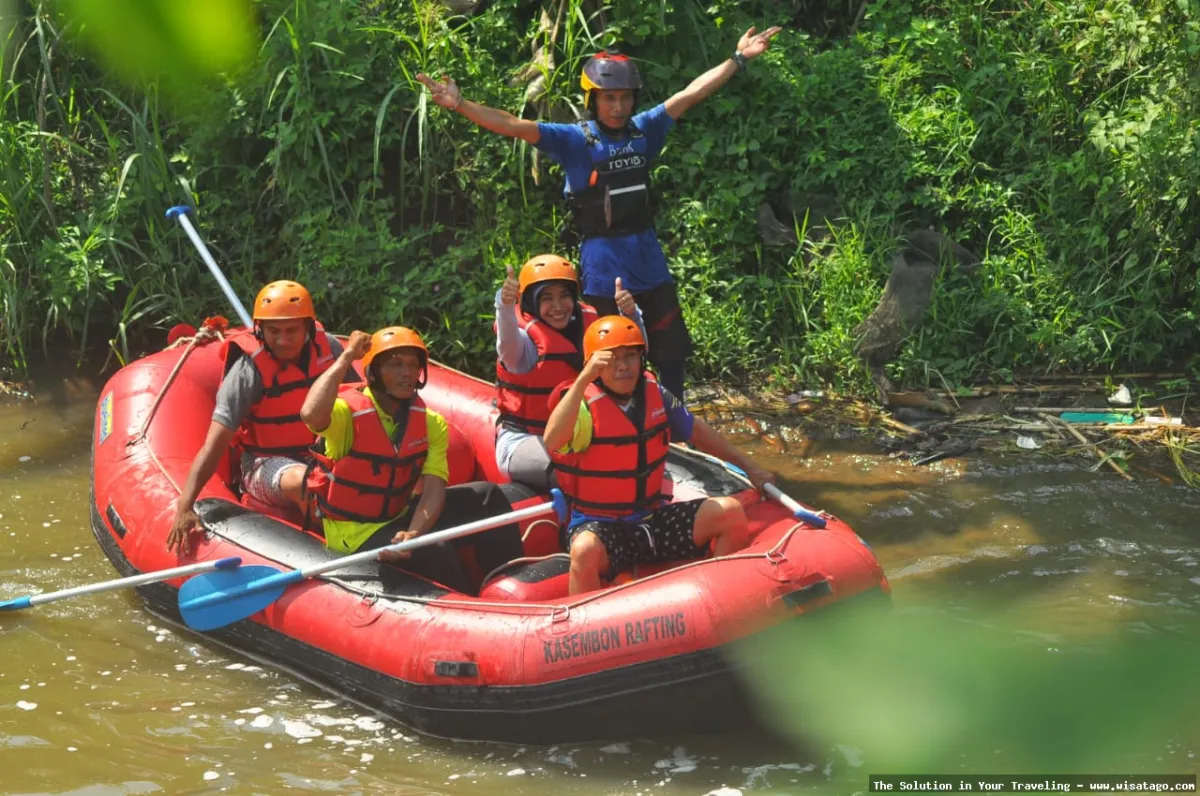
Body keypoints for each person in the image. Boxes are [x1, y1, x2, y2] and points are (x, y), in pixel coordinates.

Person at [416, 24, 783, 400]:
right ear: (593, 100)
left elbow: (692, 93)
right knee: (607, 350)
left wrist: (738, 59)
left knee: (670, 347)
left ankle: (670, 420)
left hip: (648, 257)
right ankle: (609, 419)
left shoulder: (645, 129)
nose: (618, 107)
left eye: (624, 98)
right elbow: (512, 124)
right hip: (603, 263)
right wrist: (459, 104)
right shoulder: (574, 140)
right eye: (609, 98)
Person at [543, 316, 776, 595]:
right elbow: (552, 440)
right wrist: (583, 380)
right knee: (584, 550)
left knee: (730, 513)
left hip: (653, 519)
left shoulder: (655, 393)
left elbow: (698, 433)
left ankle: (724, 600)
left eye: (630, 356)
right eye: (611, 359)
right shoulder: (579, 403)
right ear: (594, 364)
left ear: (642, 358)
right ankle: (584, 632)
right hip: (602, 525)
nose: (622, 366)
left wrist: (751, 468)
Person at [301, 326, 524, 594]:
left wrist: (414, 533)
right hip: (355, 533)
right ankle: (469, 608)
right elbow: (311, 413)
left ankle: (510, 586)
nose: (407, 373)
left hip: (400, 515)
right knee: (433, 547)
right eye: (395, 365)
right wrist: (347, 357)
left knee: (486, 496)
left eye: (412, 365)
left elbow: (433, 489)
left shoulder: (431, 423)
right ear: (373, 372)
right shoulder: (347, 414)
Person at [167, 280, 346, 555]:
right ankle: (342, 549)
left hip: (319, 452)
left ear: (308, 328)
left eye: (292, 331)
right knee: (306, 481)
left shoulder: (329, 349)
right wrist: (185, 505)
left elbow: (359, 403)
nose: (283, 340)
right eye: (274, 331)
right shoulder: (247, 371)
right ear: (260, 330)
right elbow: (214, 445)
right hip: (263, 464)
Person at [494, 253, 642, 490]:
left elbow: (633, 359)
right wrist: (504, 305)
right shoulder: (523, 346)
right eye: (547, 298)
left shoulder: (588, 326)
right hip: (525, 439)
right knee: (587, 467)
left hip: (579, 435)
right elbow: (507, 343)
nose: (557, 307)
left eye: (564, 296)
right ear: (531, 301)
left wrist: (631, 316)